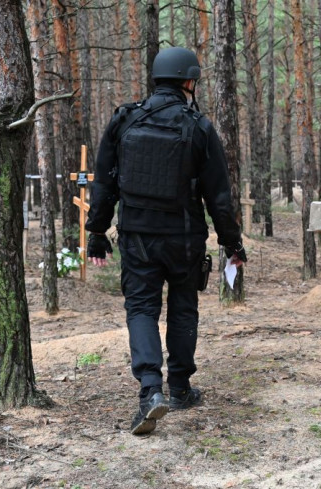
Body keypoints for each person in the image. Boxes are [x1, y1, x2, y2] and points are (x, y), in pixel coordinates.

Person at [85, 47, 247, 435]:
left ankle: (149, 392)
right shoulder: (199, 127)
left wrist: (96, 232)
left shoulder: (124, 121)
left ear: (158, 79)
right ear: (189, 82)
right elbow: (219, 197)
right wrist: (232, 243)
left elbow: (104, 180)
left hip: (137, 236)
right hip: (184, 238)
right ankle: (180, 387)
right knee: (183, 307)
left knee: (141, 309)